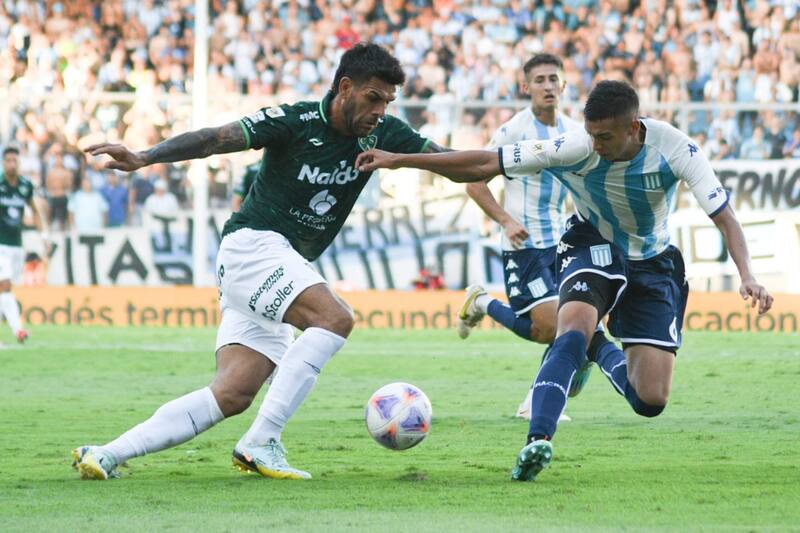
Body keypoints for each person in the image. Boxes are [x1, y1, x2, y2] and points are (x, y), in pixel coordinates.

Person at [73, 43, 470, 482]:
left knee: (231, 394)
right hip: (254, 246)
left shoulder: (385, 135)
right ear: (345, 87)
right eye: (374, 97)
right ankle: (262, 442)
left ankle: (105, 453)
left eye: (388, 102)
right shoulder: (294, 121)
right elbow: (214, 139)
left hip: (275, 262)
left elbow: (453, 163)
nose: (380, 110)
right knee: (334, 318)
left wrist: (508, 164)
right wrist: (147, 156)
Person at [356, 80, 773, 481]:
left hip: (652, 262)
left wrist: (748, 275)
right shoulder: (576, 145)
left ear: (633, 127)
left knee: (649, 400)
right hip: (592, 241)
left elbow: (724, 217)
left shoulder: (675, 148)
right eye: (591, 134)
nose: (594, 144)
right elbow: (484, 162)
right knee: (568, 331)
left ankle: (597, 345)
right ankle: (536, 440)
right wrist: (400, 160)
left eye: (605, 137)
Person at [456, 53, 588, 421]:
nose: (548, 85)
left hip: (562, 243)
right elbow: (474, 181)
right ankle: (482, 303)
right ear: (525, 87)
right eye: (540, 79)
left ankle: (535, 400)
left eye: (553, 79)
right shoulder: (514, 130)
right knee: (547, 328)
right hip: (524, 246)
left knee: (577, 322)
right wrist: (505, 220)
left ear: (564, 85)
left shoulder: (575, 133)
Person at [0, 146, 48, 343]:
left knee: (6, 289)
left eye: (14, 160)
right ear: (3, 163)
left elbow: (34, 211)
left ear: (18, 163)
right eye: (8, 160)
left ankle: (17, 329)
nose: (11, 164)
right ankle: (18, 330)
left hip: (16, 245)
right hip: (0, 244)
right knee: (5, 285)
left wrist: (43, 235)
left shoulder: (25, 186)